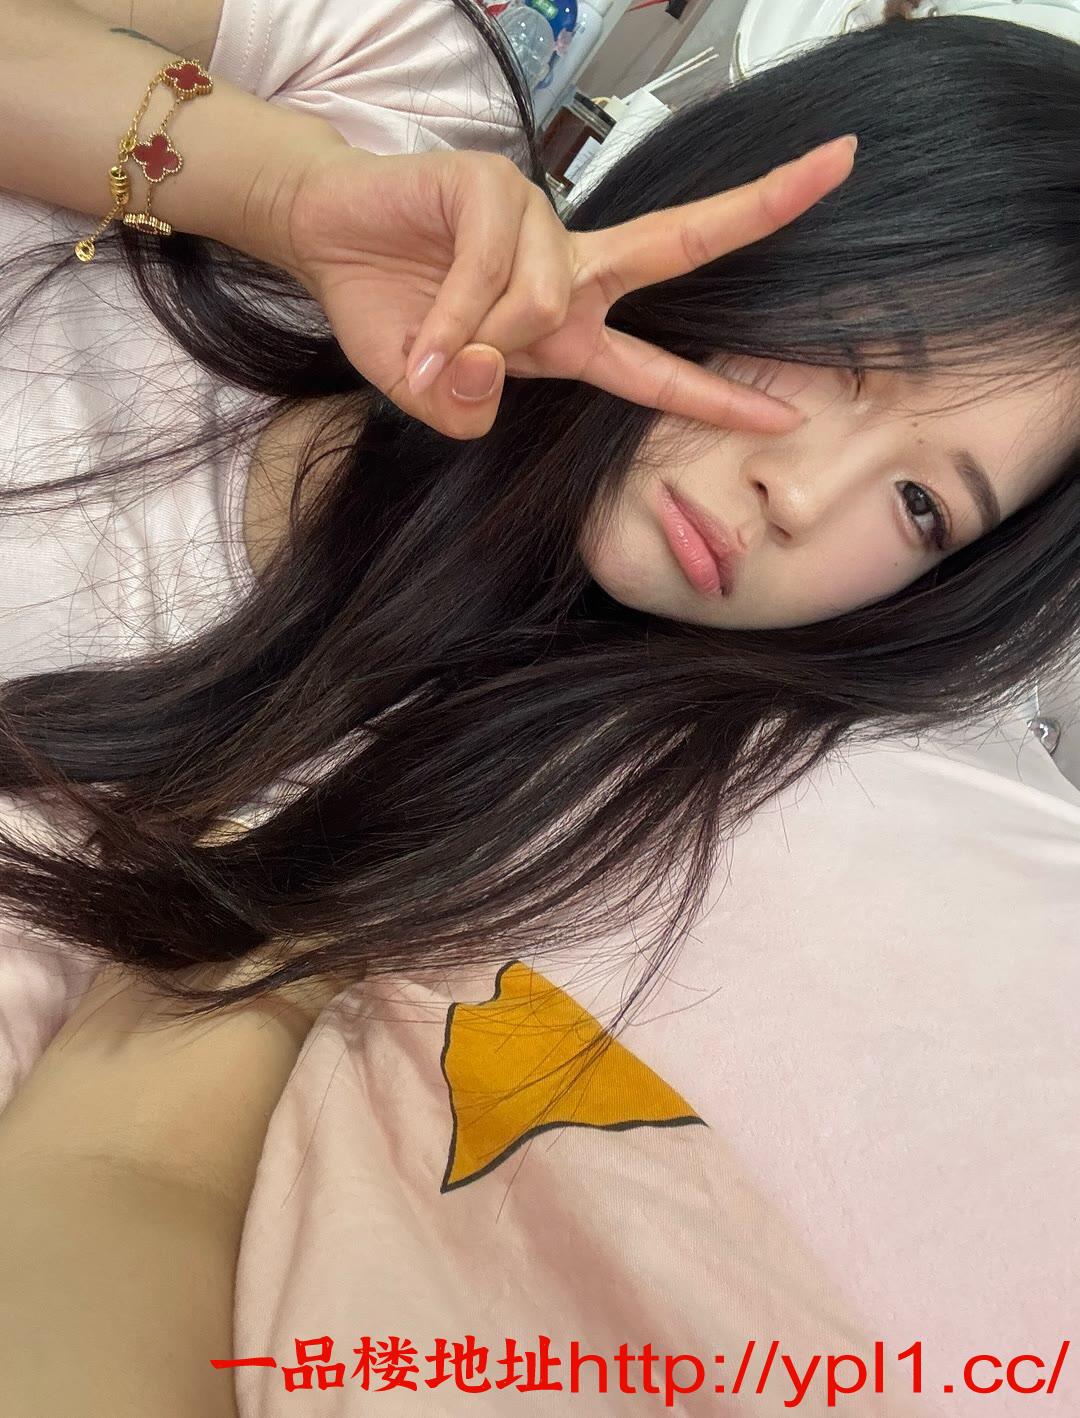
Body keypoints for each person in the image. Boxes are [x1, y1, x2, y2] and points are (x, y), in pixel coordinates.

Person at [0, 0, 1077, 1413]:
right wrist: (286, 195)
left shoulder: (453, 811)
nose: (803, 495)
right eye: (843, 340)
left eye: (925, 504)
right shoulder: (400, 93)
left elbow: (129, 1180)